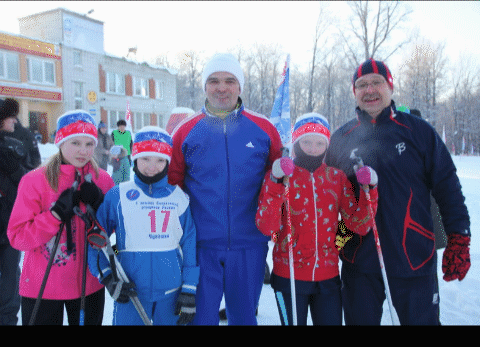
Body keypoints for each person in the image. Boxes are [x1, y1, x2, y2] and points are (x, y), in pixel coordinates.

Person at [325, 58, 471, 325]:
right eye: (362, 84)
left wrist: (458, 236)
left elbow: (447, 185)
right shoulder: (341, 138)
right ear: (354, 92)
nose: (370, 90)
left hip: (413, 256)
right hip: (359, 261)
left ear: (390, 87)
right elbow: (326, 200)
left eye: (377, 82)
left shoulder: (418, 131)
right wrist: (331, 243)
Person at [169, 53, 282, 325]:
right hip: (200, 246)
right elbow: (172, 186)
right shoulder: (185, 131)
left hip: (249, 244)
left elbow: (278, 183)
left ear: (240, 87)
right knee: (201, 319)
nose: (222, 87)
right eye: (214, 81)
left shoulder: (264, 129)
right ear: (205, 87)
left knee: (244, 318)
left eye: (230, 81)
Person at [255, 113, 378, 325]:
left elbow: (359, 224)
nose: (313, 148)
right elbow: (267, 226)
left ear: (327, 145)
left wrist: (370, 190)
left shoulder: (336, 178)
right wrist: (275, 182)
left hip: (328, 277)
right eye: (307, 141)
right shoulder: (282, 176)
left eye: (319, 142)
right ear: (296, 142)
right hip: (289, 277)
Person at [8, 110, 115, 325]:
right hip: (43, 285)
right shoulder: (35, 181)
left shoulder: (102, 179)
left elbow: (112, 230)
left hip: (89, 283)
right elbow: (18, 237)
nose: (83, 151)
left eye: (89, 144)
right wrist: (55, 215)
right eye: (75, 143)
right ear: (60, 141)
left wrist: (100, 206)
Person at [88, 126, 199, 325]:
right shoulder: (118, 195)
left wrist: (189, 289)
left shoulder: (179, 198)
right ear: (135, 158)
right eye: (145, 158)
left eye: (159, 160)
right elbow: (97, 239)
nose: (151, 166)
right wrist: (107, 277)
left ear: (167, 162)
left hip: (171, 293)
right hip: (131, 292)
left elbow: (189, 245)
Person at [0, 98, 30, 325]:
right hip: (7, 226)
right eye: (11, 117)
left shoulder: (12, 146)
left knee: (10, 282)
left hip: (9, 228)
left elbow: (26, 182)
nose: (15, 120)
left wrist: (16, 169)